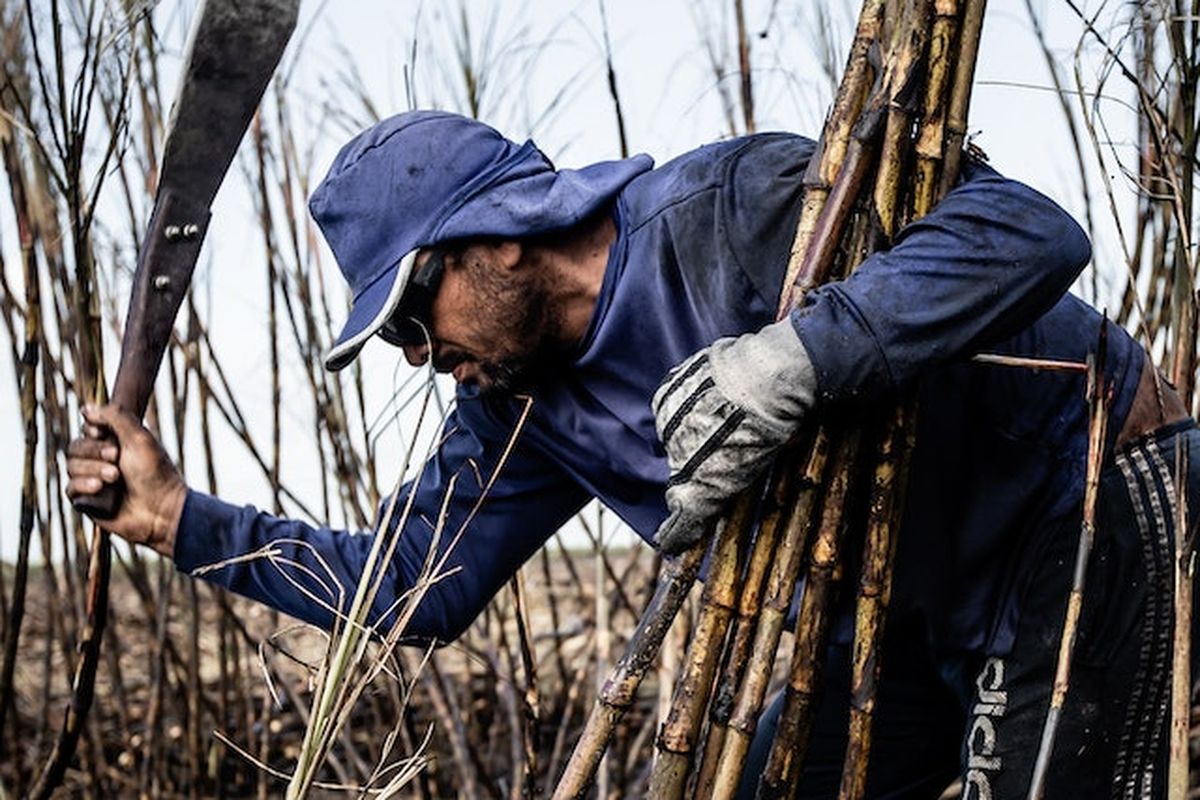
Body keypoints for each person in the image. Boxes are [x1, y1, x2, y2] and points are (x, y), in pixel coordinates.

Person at [67, 110, 1197, 799]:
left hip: (1091, 502)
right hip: (913, 612)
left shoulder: (728, 211)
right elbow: (412, 585)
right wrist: (178, 519)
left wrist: (797, 358)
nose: (420, 358)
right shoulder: (520, 408)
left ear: (498, 232)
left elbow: (1030, 231)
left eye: (415, 315)